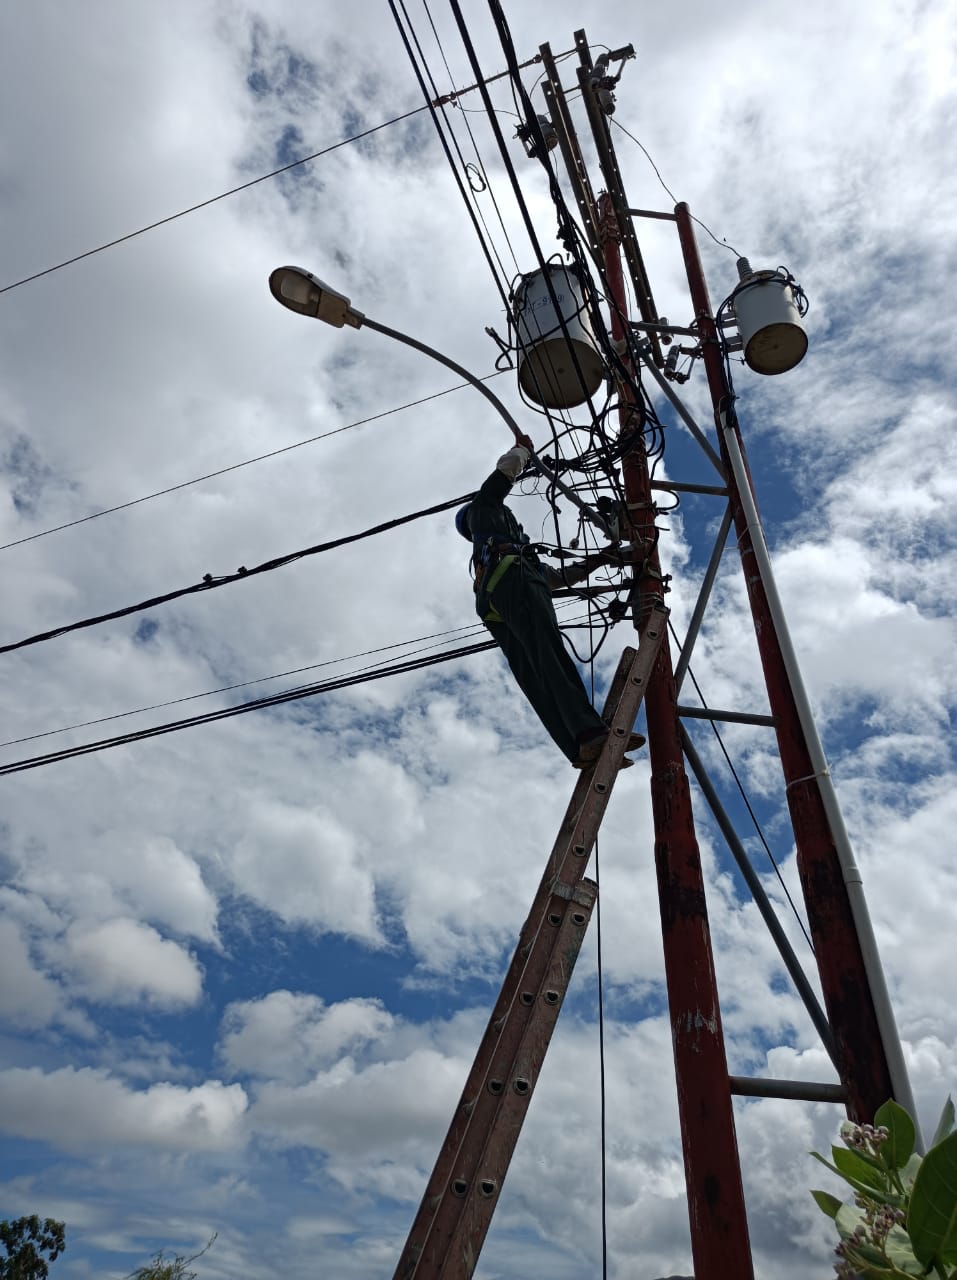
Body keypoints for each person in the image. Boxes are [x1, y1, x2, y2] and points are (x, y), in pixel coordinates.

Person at [456, 438, 645, 768]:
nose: (517, 522)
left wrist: (601, 559)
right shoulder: (487, 511)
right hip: (512, 578)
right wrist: (522, 450)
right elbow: (503, 474)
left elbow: (559, 578)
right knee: (550, 654)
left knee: (533, 674)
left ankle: (578, 748)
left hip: (493, 599)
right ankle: (589, 733)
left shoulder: (499, 555)